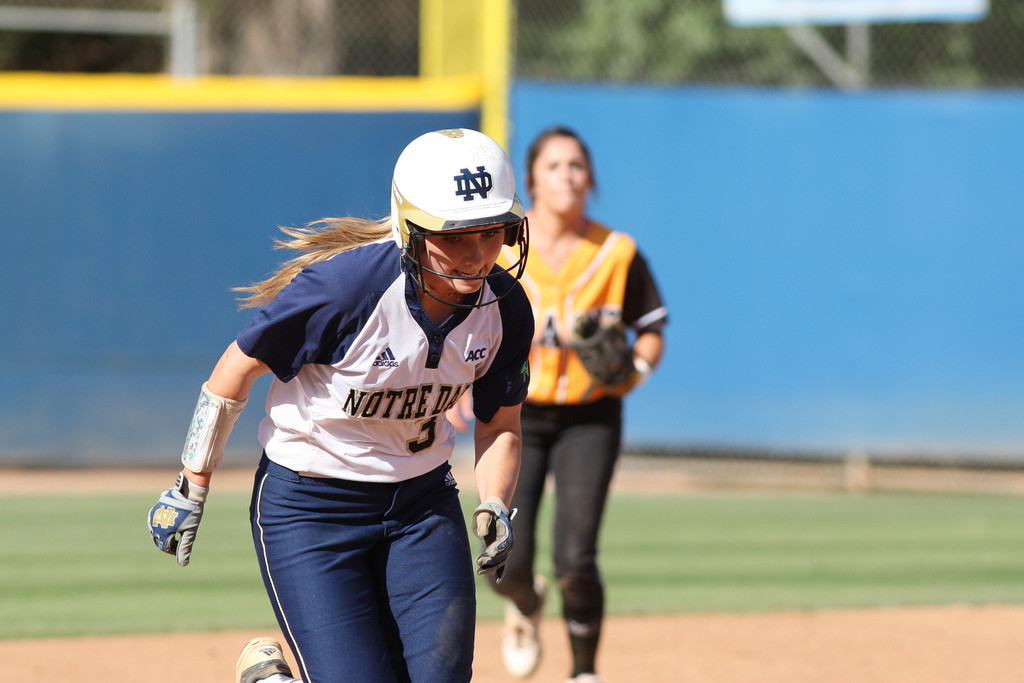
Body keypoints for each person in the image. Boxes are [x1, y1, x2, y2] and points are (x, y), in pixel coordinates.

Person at [146, 128, 534, 683]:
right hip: (311, 509)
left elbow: (502, 422)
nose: (476, 257)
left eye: (492, 233)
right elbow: (233, 372)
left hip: (422, 505)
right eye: (455, 236)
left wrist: (495, 501)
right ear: (410, 227)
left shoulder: (505, 309)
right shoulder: (346, 289)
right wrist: (191, 484)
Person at [450, 126, 667, 683]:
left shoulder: (617, 253)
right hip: (511, 414)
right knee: (502, 561)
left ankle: (584, 672)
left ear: (590, 179)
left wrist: (634, 370)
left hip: (590, 416)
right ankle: (526, 602)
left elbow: (649, 328)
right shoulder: (498, 248)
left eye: (576, 166)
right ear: (531, 182)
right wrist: (453, 388)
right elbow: (462, 320)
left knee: (576, 558)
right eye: (554, 166)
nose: (567, 175)